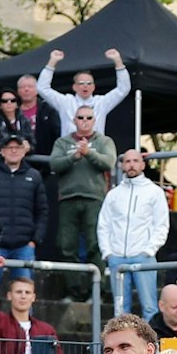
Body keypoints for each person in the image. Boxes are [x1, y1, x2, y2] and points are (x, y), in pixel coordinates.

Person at [48, 94, 116, 278]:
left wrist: (88, 153)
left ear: (95, 121)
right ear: (74, 120)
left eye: (88, 118)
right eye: (80, 118)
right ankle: (74, 291)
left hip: (95, 198)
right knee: (66, 245)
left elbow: (109, 162)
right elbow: (54, 164)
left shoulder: (104, 141)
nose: (84, 122)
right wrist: (73, 157)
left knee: (96, 245)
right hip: (68, 199)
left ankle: (97, 291)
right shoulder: (63, 142)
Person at [0, 131, 49, 305]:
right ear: (2, 151)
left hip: (23, 246)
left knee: (24, 298)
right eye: (10, 147)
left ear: (24, 151)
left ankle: (24, 333)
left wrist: (34, 240)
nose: (14, 151)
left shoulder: (34, 176)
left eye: (18, 147)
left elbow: (42, 210)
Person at [98, 147, 167, 317]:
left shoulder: (154, 192)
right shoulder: (113, 195)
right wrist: (108, 253)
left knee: (150, 308)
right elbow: (103, 224)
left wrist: (149, 250)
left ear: (143, 165)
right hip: (117, 258)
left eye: (135, 161)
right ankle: (122, 343)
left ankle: (150, 344)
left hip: (143, 257)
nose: (131, 165)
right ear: (122, 165)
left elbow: (162, 225)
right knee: (120, 310)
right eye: (127, 161)